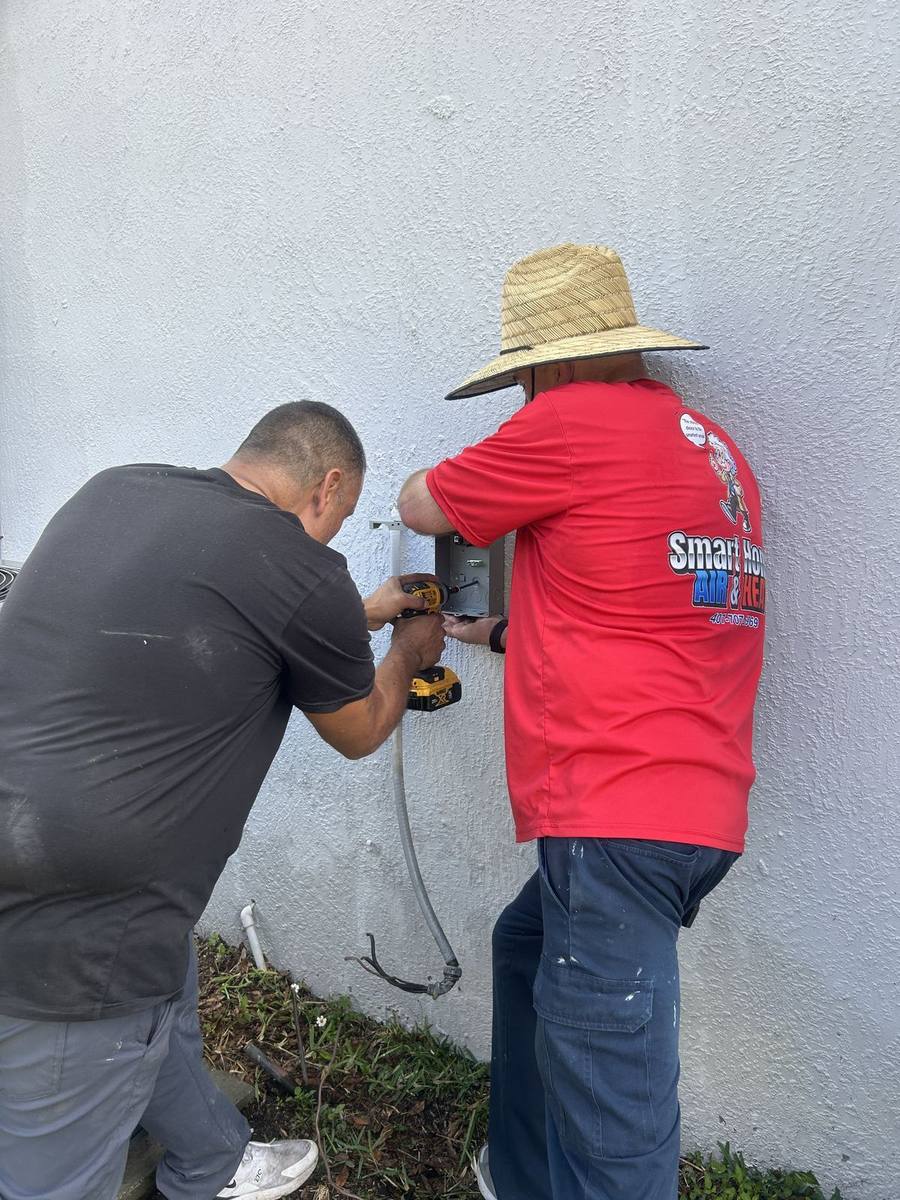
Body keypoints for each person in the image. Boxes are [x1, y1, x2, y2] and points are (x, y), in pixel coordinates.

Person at [0, 401, 444, 1200]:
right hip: (82, 920)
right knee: (53, 1162)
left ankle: (208, 1158)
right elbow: (361, 728)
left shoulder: (118, 489)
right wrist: (407, 649)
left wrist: (361, 614)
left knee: (162, 981)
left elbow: (219, 605)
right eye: (340, 518)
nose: (334, 538)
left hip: (42, 836)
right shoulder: (303, 571)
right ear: (328, 486)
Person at [398, 243, 766, 1200]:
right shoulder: (709, 448)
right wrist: (508, 631)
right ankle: (519, 1176)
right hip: (698, 808)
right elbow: (646, 611)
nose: (523, 394)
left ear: (551, 366)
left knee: (617, 1117)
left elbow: (423, 501)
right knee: (526, 949)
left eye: (522, 377)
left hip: (614, 816)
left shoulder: (567, 422)